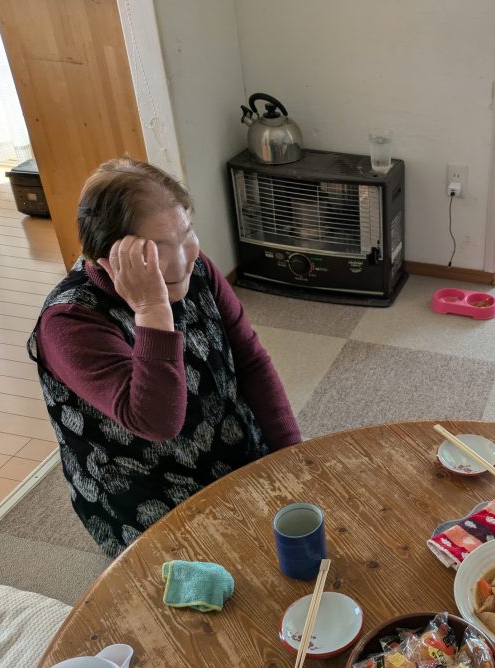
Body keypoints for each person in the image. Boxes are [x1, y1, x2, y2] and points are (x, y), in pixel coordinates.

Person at [29, 157, 301, 558]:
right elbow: (156, 421)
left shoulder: (197, 266)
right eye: (156, 249)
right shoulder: (69, 322)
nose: (180, 260)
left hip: (228, 447)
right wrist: (153, 309)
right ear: (108, 257)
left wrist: (291, 454)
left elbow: (251, 361)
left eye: (186, 233)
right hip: (145, 487)